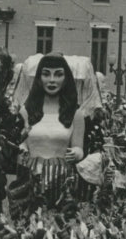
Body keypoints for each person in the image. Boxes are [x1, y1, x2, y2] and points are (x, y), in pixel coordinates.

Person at [18, 53, 86, 209]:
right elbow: (20, 143)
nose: (52, 80)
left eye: (58, 74)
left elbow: (79, 148)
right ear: (39, 78)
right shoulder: (26, 111)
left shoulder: (75, 114)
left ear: (66, 78)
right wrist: (21, 151)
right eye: (46, 74)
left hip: (62, 181)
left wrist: (76, 152)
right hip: (31, 179)